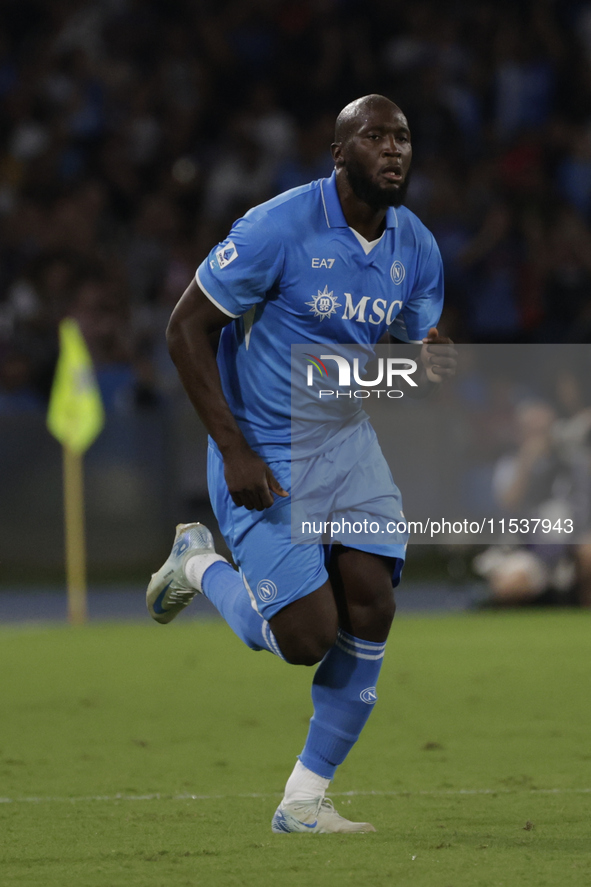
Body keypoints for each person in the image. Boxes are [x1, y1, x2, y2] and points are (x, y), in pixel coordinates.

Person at [147, 95, 455, 833]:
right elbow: (185, 328)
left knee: (373, 602)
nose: (393, 150)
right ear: (338, 152)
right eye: (374, 137)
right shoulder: (275, 228)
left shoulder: (415, 246)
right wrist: (233, 449)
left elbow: (410, 342)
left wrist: (428, 356)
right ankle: (196, 562)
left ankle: (303, 800)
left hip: (346, 443)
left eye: (403, 138)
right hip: (264, 449)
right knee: (303, 638)